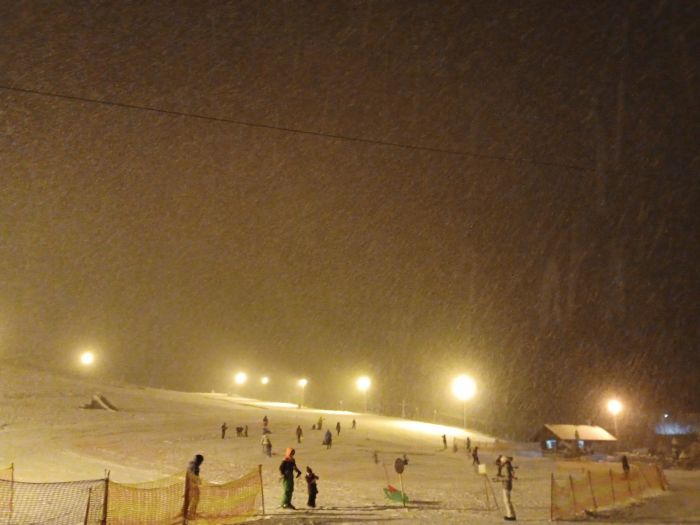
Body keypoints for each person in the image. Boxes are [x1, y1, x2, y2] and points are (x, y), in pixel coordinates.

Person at [185, 454, 204, 519]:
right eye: (200, 461)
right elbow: (194, 477)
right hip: (192, 486)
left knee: (189, 499)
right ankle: (191, 514)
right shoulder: (196, 468)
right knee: (195, 499)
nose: (200, 463)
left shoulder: (191, 465)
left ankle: (184, 511)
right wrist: (198, 482)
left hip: (188, 485)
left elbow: (190, 475)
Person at [500, 456, 517, 521]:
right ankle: (511, 514)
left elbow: (507, 477)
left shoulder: (506, 467)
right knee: (507, 501)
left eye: (502, 461)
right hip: (507, 485)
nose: (501, 462)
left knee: (507, 501)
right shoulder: (508, 466)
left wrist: (499, 479)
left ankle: (511, 515)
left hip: (506, 485)